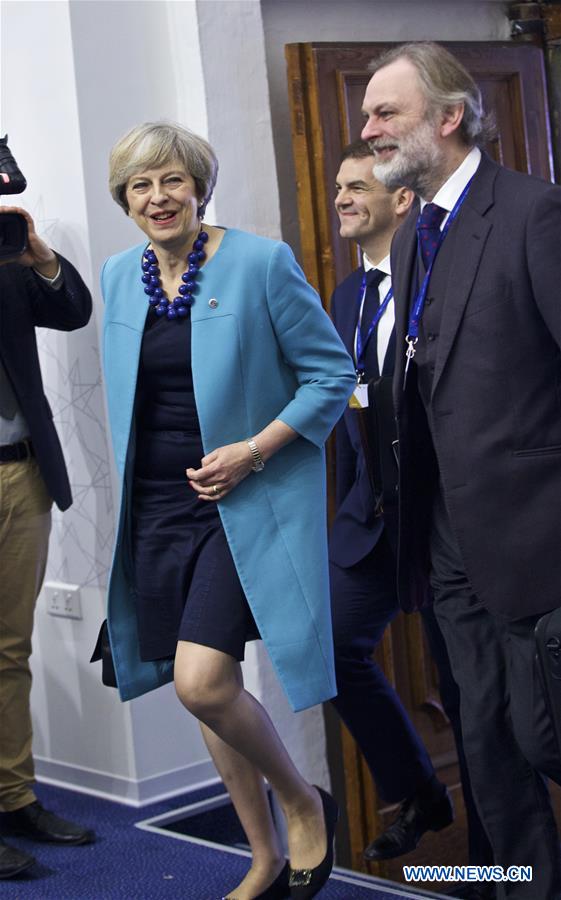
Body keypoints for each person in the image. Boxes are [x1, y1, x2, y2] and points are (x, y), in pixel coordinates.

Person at [101, 121, 356, 900]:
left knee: (202, 682)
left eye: (172, 180)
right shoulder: (119, 275)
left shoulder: (258, 262)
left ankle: (303, 802)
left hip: (239, 503)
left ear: (199, 187)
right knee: (208, 697)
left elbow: (330, 376)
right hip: (154, 507)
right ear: (124, 200)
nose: (158, 197)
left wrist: (252, 450)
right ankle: (263, 857)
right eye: (140, 185)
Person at [361, 41, 561, 900]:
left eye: (385, 112)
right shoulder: (412, 231)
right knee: (486, 743)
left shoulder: (534, 213)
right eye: (366, 114)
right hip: (445, 539)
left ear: (447, 118)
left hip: (538, 534)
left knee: (545, 737)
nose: (368, 129)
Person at [329, 140, 493, 898]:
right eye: (337, 187)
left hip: (446, 521)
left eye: (356, 187)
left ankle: (493, 868)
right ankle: (421, 792)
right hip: (372, 519)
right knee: (330, 649)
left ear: (402, 200)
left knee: (470, 697)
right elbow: (347, 406)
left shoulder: (443, 277)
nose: (340, 198)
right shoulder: (345, 296)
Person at [0, 206, 94, 879]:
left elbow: (71, 311)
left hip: (19, 475)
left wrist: (40, 258)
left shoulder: (7, 262)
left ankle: (13, 797)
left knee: (10, 648)